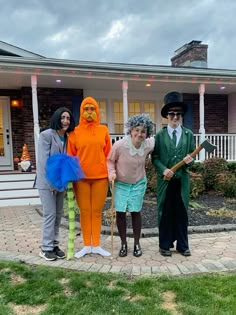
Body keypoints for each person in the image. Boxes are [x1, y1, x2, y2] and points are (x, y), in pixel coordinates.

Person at [67, 96, 111, 258]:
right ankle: (86, 245)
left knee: (97, 211)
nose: (90, 112)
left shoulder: (103, 130)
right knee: (85, 211)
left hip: (100, 177)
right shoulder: (74, 132)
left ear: (97, 111)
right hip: (80, 179)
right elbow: (70, 156)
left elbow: (108, 155)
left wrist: (111, 173)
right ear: (81, 111)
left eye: (92, 109)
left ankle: (97, 245)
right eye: (86, 109)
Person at [152, 91, 194, 257]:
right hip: (165, 181)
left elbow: (191, 157)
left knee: (182, 212)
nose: (175, 117)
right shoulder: (160, 136)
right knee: (166, 211)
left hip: (182, 180)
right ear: (167, 116)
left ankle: (183, 246)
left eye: (178, 114)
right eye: (172, 114)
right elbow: (154, 157)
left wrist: (189, 160)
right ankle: (165, 245)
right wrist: (164, 169)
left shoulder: (188, 134)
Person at [107, 114, 154, 257]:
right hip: (120, 183)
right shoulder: (120, 145)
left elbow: (160, 141)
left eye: (143, 131)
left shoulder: (149, 144)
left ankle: (137, 244)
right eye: (137, 130)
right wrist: (112, 173)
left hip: (138, 183)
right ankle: (123, 244)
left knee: (135, 211)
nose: (139, 134)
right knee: (120, 212)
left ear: (147, 133)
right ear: (131, 130)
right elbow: (110, 161)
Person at [34, 107, 75, 261]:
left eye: (68, 118)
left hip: (61, 182)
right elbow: (44, 163)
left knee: (58, 215)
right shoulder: (46, 135)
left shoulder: (69, 137)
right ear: (57, 118)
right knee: (50, 214)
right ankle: (45, 248)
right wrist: (52, 185)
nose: (65, 121)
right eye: (63, 117)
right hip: (47, 183)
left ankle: (54, 245)